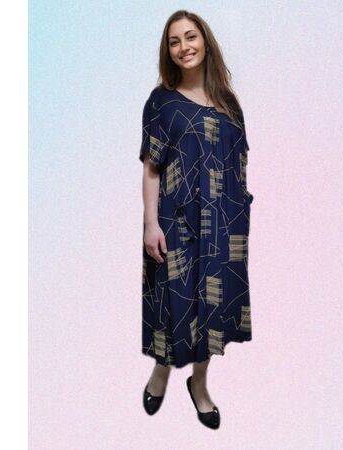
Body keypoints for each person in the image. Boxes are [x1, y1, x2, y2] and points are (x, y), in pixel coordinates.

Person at [139, 10, 254, 430]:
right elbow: (151, 169)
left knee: (212, 307)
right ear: (167, 51)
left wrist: (240, 209)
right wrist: (150, 224)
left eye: (190, 37)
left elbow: (238, 163)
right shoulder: (161, 102)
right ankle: (161, 372)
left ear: (205, 41)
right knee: (173, 304)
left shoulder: (229, 103)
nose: (184, 47)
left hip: (224, 225)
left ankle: (199, 384)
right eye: (174, 41)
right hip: (175, 222)